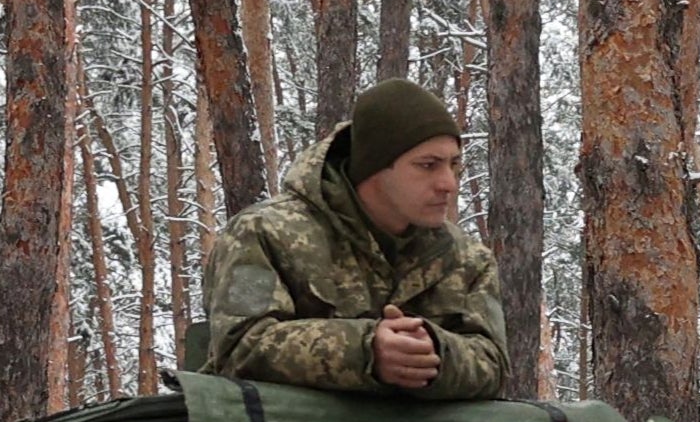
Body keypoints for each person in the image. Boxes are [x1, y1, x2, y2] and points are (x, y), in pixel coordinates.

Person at [198, 78, 505, 398]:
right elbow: (239, 349)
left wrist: (434, 353)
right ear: (374, 168)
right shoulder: (265, 234)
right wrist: (364, 350)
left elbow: (492, 364)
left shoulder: (466, 259)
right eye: (428, 166)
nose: (448, 183)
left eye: (454, 164)